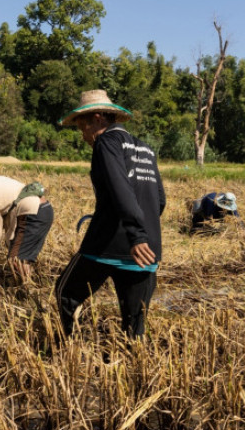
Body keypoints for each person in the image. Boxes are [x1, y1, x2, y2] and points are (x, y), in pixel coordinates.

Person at [54, 90, 165, 339]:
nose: (83, 135)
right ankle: (135, 369)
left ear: (96, 118)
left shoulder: (107, 142)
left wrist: (135, 235)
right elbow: (159, 200)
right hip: (147, 250)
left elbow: (119, 188)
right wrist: (143, 234)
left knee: (66, 292)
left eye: (82, 127)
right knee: (134, 322)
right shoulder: (146, 149)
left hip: (108, 244)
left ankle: (67, 348)